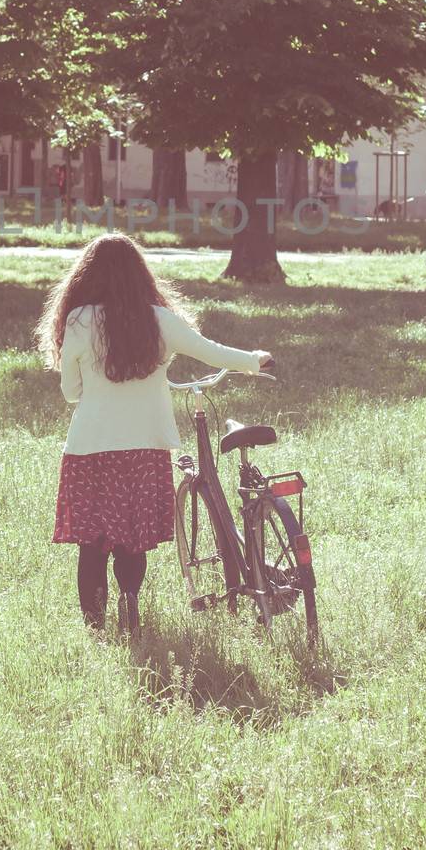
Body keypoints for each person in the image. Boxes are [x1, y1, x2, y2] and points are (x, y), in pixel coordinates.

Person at [35, 233, 271, 637]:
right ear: (140, 275)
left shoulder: (78, 321)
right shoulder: (159, 320)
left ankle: (96, 628)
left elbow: (71, 392)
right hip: (144, 446)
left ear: (87, 278)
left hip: (91, 448)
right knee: (132, 538)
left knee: (91, 543)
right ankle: (130, 601)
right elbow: (210, 350)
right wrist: (254, 361)